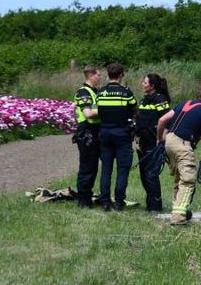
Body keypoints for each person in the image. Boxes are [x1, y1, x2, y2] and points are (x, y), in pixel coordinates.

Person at [157, 85, 201, 226]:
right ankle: (178, 217)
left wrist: (159, 140)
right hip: (183, 145)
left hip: (169, 141)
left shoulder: (184, 104)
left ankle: (179, 210)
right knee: (188, 181)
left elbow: (161, 121)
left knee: (179, 179)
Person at [96, 63, 137, 211]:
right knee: (122, 169)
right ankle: (119, 202)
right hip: (121, 133)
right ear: (121, 75)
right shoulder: (126, 92)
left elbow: (98, 111)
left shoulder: (100, 92)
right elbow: (134, 109)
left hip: (105, 133)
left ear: (108, 75)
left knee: (106, 169)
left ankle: (105, 202)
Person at [135, 73, 171, 212]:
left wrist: (161, 140)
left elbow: (168, 120)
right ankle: (150, 204)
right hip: (142, 143)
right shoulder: (144, 100)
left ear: (152, 85)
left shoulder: (160, 99)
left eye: (145, 82)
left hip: (154, 143)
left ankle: (156, 206)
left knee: (151, 174)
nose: (142, 84)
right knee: (144, 175)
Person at [72, 65, 102, 208]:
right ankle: (83, 200)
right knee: (87, 166)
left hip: (95, 131)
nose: (100, 78)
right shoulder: (84, 92)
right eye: (98, 75)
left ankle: (87, 196)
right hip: (87, 132)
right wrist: (108, 108)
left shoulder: (94, 91)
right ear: (90, 75)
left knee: (93, 166)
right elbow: (88, 114)